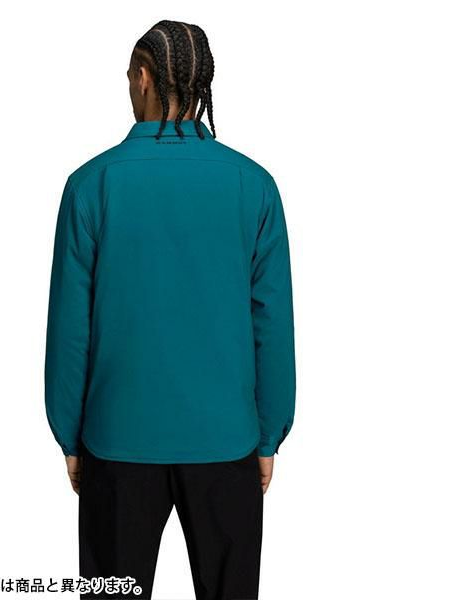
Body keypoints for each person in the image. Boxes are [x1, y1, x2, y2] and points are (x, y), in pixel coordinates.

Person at [45, 19, 296, 600]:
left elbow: (70, 326)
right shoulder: (254, 185)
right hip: (226, 439)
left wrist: (69, 435)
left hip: (116, 438)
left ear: (143, 77)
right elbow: (271, 323)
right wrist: (268, 436)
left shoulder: (91, 184)